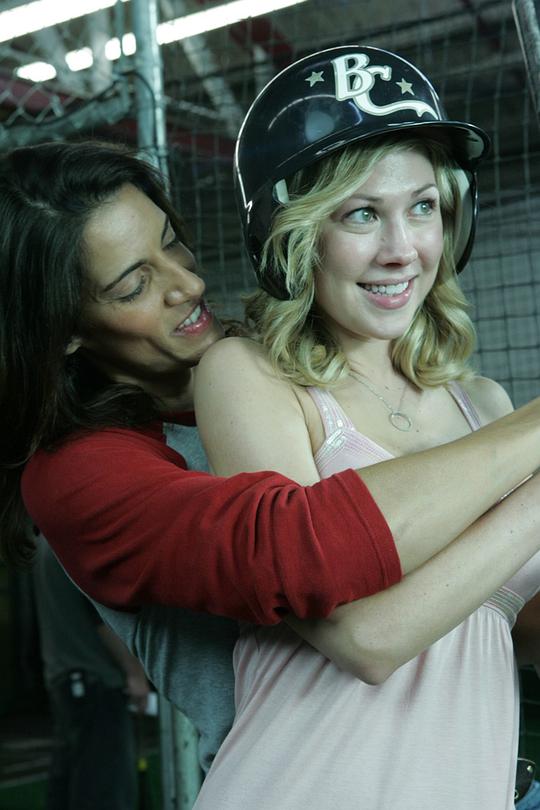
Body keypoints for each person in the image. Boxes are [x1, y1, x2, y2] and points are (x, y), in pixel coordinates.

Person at [1, 136, 540, 774]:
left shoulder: (307, 368)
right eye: (134, 285)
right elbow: (294, 555)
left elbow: (490, 611)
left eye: (172, 243)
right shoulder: (78, 474)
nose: (189, 284)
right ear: (63, 327)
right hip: (309, 780)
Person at [192, 46, 540, 808]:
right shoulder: (247, 378)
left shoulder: (486, 406)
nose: (401, 249)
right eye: (360, 214)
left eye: (423, 207)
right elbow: (364, 637)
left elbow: (509, 626)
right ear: (294, 234)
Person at [33, 533, 150, 810]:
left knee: (70, 786)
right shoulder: (75, 543)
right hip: (97, 682)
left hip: (67, 681)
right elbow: (103, 621)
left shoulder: (44, 544)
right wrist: (135, 674)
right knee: (104, 789)